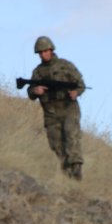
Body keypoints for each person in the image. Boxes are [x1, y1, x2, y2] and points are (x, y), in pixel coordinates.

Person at [26, 36, 86, 180]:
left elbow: (81, 84)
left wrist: (76, 92)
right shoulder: (37, 72)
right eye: (40, 52)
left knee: (71, 136)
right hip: (51, 113)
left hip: (68, 108)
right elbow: (30, 91)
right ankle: (67, 176)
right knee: (56, 144)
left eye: (46, 51)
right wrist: (35, 90)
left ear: (51, 50)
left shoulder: (65, 66)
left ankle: (76, 170)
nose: (43, 54)